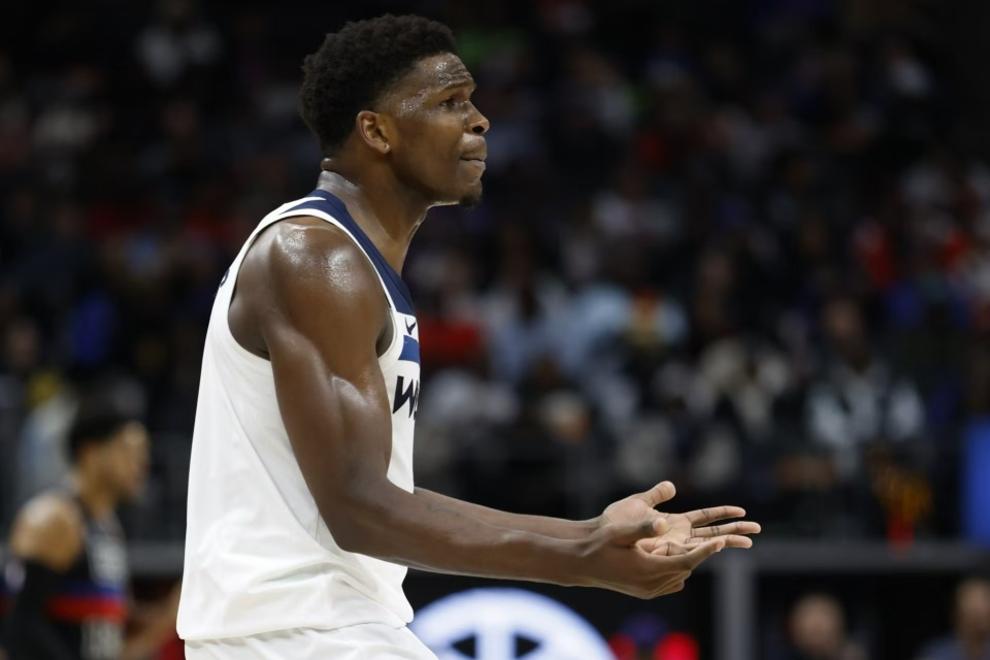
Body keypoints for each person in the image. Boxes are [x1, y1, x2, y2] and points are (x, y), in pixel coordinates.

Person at [177, 14, 761, 659]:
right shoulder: (316, 258)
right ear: (376, 131)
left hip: (323, 627)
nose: (480, 121)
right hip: (294, 633)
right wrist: (582, 558)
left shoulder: (350, 262)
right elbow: (358, 506)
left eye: (473, 101)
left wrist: (588, 536)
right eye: (450, 102)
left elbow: (375, 498)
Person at [2, 391, 180, 659]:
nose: (141, 464)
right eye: (129, 451)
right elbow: (20, 626)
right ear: (91, 452)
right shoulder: (54, 519)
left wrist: (170, 613)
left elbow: (112, 620)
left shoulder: (108, 526)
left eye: (144, 453)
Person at [917, 578, 990, 660]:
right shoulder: (935, 654)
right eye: (974, 615)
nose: (980, 624)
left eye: (985, 615)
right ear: (957, 616)